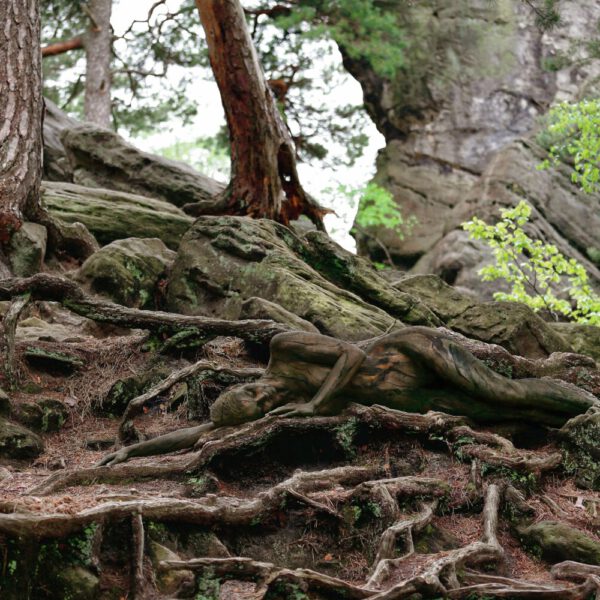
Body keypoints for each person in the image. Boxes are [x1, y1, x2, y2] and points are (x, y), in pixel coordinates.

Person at [98, 327, 598, 466]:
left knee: (501, 390)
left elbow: (351, 356)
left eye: (257, 402)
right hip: (410, 400)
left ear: (249, 387)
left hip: (409, 353)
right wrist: (131, 451)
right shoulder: (279, 404)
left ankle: (589, 406)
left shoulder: (284, 352)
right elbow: (199, 433)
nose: (266, 407)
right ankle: (576, 425)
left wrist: (318, 405)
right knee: (493, 413)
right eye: (261, 413)